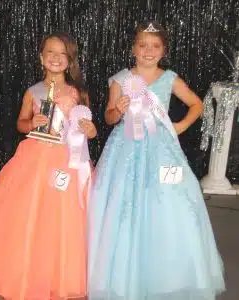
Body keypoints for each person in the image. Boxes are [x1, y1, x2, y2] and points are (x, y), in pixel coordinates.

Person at [87, 21, 225, 300]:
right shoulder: (120, 79)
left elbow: (197, 104)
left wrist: (180, 126)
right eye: (143, 45)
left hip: (162, 150)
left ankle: (170, 272)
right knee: (121, 204)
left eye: (155, 46)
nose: (148, 51)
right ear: (133, 49)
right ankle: (122, 273)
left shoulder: (169, 78)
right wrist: (119, 109)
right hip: (125, 149)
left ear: (163, 51)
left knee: (169, 200)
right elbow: (109, 117)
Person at [0, 31, 96, 300]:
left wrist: (89, 129)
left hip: (66, 159)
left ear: (70, 60)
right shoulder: (33, 91)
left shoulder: (78, 92)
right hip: (34, 158)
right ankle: (25, 262)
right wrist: (31, 123)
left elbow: (86, 128)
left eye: (62, 54)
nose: (56, 58)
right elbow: (20, 123)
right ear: (41, 57)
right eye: (50, 52)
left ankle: (63, 268)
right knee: (29, 212)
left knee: (65, 214)